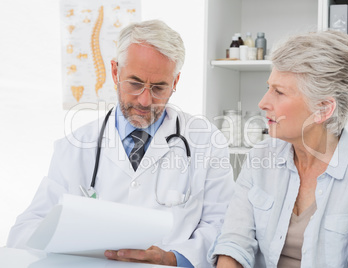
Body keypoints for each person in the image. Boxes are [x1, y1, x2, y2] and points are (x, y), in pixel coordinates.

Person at [7, 19, 235, 267]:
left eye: (159, 87)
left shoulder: (206, 142)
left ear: (176, 82)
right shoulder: (75, 146)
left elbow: (224, 226)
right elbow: (25, 232)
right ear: (115, 72)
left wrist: (174, 257)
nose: (145, 100)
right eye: (135, 83)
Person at [207, 30, 348, 268]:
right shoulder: (261, 156)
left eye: (279, 92)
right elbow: (234, 243)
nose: (263, 103)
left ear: (323, 109)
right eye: (269, 88)